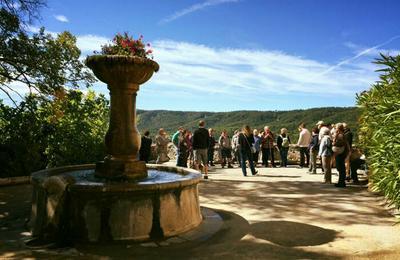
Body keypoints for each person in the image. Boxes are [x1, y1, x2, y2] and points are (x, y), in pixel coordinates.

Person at [332, 123, 350, 188]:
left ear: (338, 128)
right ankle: (341, 182)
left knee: (340, 167)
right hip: (342, 152)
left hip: (340, 152)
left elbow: (339, 143)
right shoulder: (342, 134)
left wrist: (334, 143)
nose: (335, 128)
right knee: (341, 167)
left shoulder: (340, 135)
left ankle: (341, 182)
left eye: (336, 127)